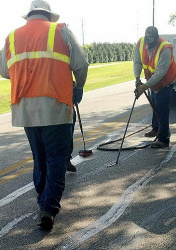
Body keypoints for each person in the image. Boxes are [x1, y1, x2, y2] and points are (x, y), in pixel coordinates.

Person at [0, 0, 88, 230]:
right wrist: (78, 86)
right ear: (49, 16)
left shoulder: (12, 37)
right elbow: (81, 64)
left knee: (40, 158)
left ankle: (43, 201)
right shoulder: (61, 30)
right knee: (57, 157)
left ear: (29, 15)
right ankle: (48, 207)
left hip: (26, 108)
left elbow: (4, 71)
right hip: (55, 104)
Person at [133, 26, 176, 148]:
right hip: (151, 80)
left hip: (165, 81)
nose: (148, 44)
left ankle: (164, 138)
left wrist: (144, 87)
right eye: (147, 41)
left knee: (162, 108)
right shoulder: (141, 43)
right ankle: (156, 128)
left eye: (151, 42)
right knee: (154, 104)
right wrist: (137, 79)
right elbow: (137, 61)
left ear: (157, 38)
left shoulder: (165, 48)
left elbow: (160, 73)